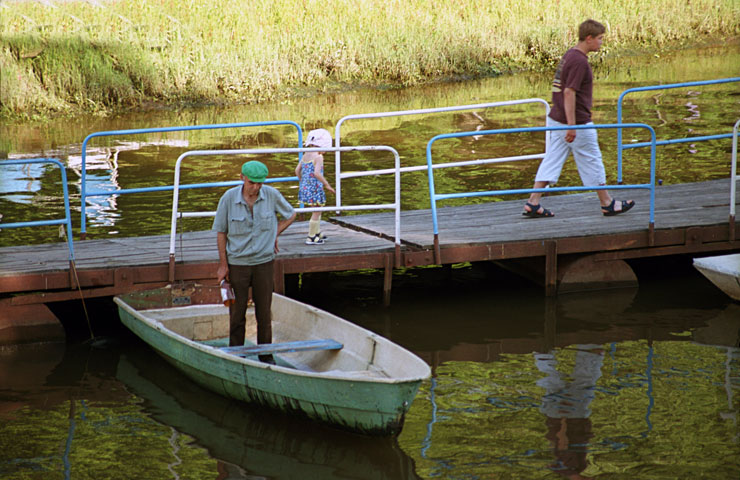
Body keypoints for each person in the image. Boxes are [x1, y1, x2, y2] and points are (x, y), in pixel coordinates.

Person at [523, 19, 634, 218]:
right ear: (589, 38)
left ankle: (533, 201)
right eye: (599, 39)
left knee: (552, 159)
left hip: (557, 118)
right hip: (576, 122)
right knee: (592, 159)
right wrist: (572, 126)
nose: (601, 43)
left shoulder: (570, 55)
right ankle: (607, 203)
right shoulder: (579, 61)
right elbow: (569, 92)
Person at [213, 160, 296, 363]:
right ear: (241, 178)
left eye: (260, 183)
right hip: (238, 263)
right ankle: (236, 355)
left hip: (264, 263)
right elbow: (221, 232)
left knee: (264, 313)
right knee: (237, 313)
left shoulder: (271, 195)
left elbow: (291, 214)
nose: (256, 187)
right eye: (252, 183)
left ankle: (266, 357)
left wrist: (273, 233)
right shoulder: (228, 198)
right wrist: (223, 265)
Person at [296, 128, 335, 245]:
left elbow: (297, 170)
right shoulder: (319, 157)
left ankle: (317, 232)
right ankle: (311, 236)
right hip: (315, 188)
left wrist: (303, 181)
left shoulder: (305, 154)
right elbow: (317, 173)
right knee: (317, 211)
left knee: (317, 210)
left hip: (306, 187)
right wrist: (327, 185)